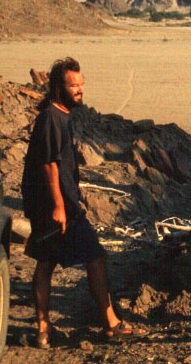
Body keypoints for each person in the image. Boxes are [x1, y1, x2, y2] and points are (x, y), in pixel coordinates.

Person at [22, 57, 146, 347]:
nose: (79, 90)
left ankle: (43, 330)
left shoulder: (59, 115)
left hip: (54, 205)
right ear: (57, 87)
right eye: (73, 85)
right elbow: (49, 165)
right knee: (94, 256)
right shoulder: (52, 117)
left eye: (81, 85)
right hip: (58, 207)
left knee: (46, 262)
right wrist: (59, 206)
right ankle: (111, 324)